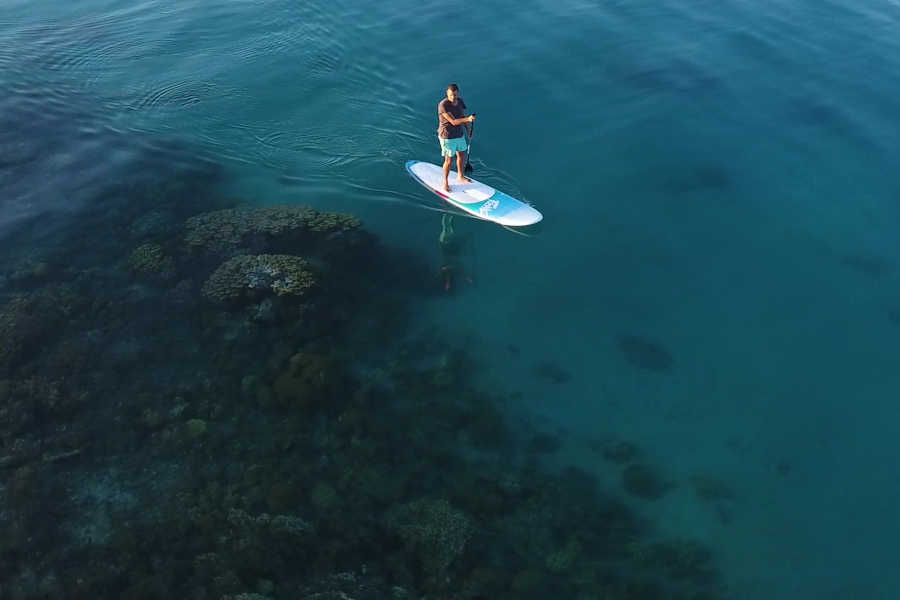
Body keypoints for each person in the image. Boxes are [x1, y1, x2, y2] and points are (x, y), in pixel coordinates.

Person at [437, 83, 476, 193]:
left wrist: (468, 129)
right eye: (450, 95)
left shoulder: (460, 101)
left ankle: (460, 176)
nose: (453, 97)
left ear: (458, 93)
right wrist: (468, 120)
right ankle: (445, 182)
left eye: (455, 95)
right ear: (447, 94)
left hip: (459, 134)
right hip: (447, 136)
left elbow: (462, 115)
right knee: (449, 160)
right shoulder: (443, 105)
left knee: (462, 155)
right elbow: (453, 121)